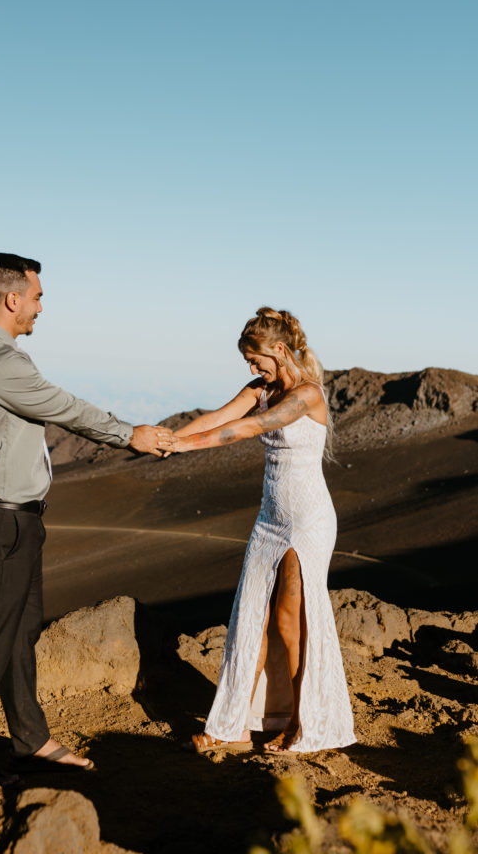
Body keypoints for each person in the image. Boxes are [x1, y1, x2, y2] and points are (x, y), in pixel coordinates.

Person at [0, 252, 173, 789]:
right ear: (12, 298)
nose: (42, 307)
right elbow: (64, 408)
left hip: (11, 520)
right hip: (0, 524)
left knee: (19, 635)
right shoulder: (2, 363)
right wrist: (129, 435)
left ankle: (30, 743)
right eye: (38, 297)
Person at [163, 307, 355, 754]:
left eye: (257, 360)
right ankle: (233, 726)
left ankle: (300, 724)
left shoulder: (307, 395)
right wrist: (172, 438)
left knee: (291, 618)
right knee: (250, 615)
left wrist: (187, 446)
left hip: (307, 519)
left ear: (280, 351)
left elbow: (249, 427)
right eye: (248, 362)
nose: (252, 370)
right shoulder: (260, 388)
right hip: (270, 516)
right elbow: (218, 416)